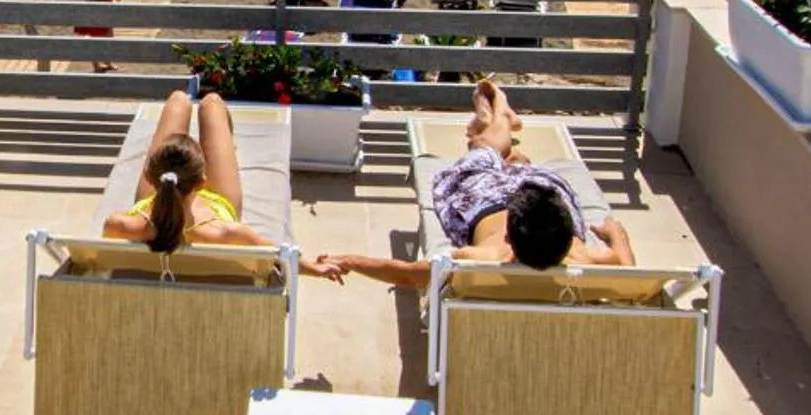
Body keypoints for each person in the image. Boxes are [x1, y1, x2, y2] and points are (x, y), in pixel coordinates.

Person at [320, 81, 633, 287]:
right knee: (496, 155)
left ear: (508, 236)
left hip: (484, 196)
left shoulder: (482, 260)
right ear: (568, 234)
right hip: (536, 193)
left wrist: (348, 261)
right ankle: (503, 128)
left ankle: (500, 121)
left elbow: (406, 274)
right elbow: (628, 269)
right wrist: (615, 234)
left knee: (484, 150)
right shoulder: (586, 260)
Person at [104, 90, 340, 276]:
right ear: (202, 181)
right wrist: (313, 268)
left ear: (151, 177)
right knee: (211, 102)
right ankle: (228, 145)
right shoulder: (229, 234)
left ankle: (214, 144)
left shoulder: (118, 226)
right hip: (215, 206)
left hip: (151, 207)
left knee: (178, 99)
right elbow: (281, 256)